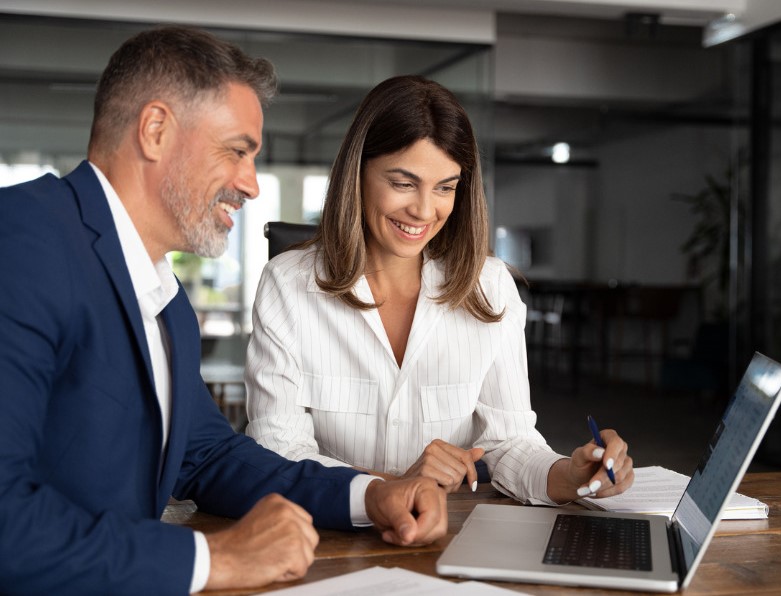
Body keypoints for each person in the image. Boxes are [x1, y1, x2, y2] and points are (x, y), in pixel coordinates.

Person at [0, 28, 447, 595]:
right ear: (155, 130)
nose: (251, 185)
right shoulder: (21, 240)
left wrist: (371, 495)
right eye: (237, 150)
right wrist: (209, 559)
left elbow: (209, 457)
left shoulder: (166, 303)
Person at [245, 75, 634, 506]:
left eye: (445, 187)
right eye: (403, 183)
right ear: (357, 173)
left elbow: (508, 444)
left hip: (438, 538)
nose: (424, 210)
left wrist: (569, 474)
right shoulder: (288, 284)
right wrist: (390, 485)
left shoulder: (490, 288)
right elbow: (277, 454)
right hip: (323, 536)